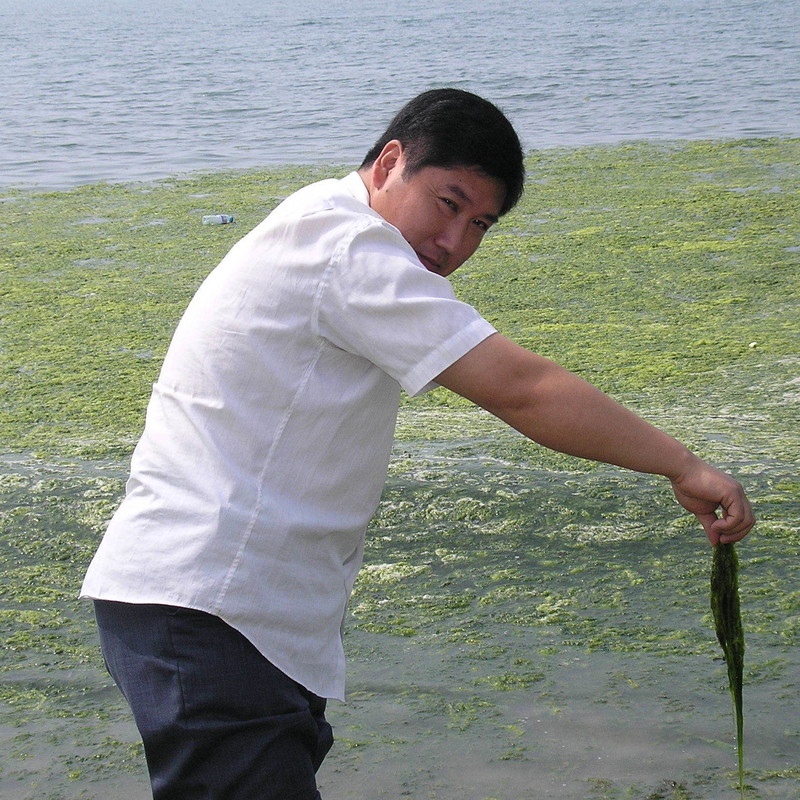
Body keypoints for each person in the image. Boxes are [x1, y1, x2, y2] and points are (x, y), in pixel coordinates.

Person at [81, 88, 754, 799]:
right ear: (391, 162)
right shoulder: (344, 247)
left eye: (481, 225)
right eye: (448, 203)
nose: (456, 243)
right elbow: (519, 387)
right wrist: (683, 465)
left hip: (224, 609)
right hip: (209, 603)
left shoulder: (324, 223)